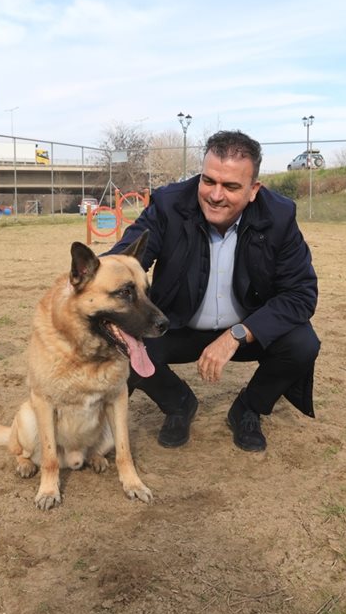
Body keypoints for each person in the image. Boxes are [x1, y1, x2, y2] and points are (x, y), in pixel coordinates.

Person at [107, 130, 320, 452]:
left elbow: (301, 294)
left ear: (253, 190)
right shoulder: (169, 204)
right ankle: (178, 403)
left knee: (302, 343)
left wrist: (237, 334)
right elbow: (126, 257)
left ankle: (249, 408)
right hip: (178, 326)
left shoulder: (279, 216)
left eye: (231, 186)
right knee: (124, 346)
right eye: (209, 181)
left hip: (245, 331)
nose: (215, 195)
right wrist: (91, 277)